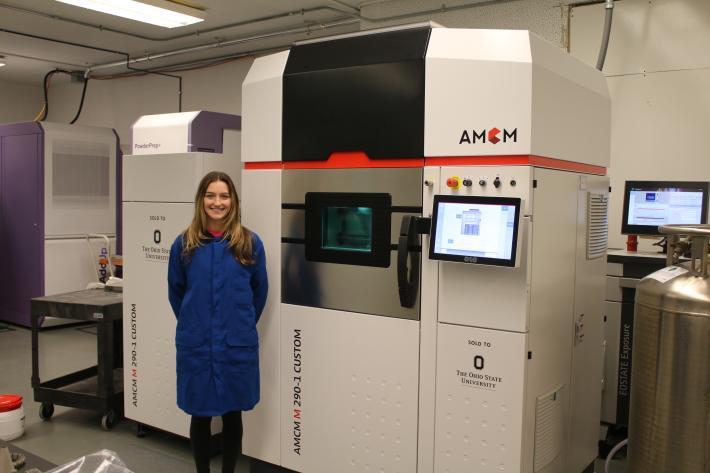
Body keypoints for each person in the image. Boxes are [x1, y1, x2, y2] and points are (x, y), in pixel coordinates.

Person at [167, 171, 268, 473]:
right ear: (201, 201)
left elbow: (259, 293)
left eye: (224, 196)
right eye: (211, 195)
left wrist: (239, 325)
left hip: (235, 345)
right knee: (199, 415)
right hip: (196, 345)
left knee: (232, 415)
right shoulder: (184, 244)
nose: (217, 202)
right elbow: (177, 292)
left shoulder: (249, 244)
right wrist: (195, 324)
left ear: (233, 201)